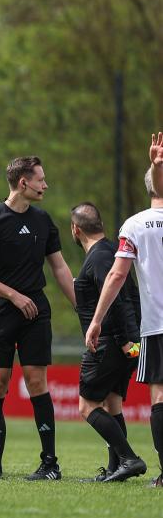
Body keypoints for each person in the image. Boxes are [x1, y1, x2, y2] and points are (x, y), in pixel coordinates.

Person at [0, 156, 76, 480]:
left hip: (35, 312)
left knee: (37, 382)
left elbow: (59, 267)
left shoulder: (43, 221)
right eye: (41, 179)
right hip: (0, 311)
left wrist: (83, 310)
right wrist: (13, 295)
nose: (46, 185)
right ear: (23, 183)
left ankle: (50, 464)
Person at [87, 138, 163, 488]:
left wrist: (97, 320)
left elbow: (117, 276)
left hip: (157, 325)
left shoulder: (134, 226)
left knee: (160, 396)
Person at [70, 202, 145, 482]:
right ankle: (116, 469)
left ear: (75, 230)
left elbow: (118, 300)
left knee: (87, 406)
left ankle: (129, 459)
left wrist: (125, 340)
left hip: (108, 343)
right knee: (113, 403)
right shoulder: (112, 252)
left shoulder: (100, 257)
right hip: (121, 341)